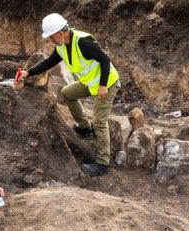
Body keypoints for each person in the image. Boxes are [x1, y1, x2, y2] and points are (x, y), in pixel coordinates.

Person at [18, 13, 120, 177]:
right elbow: (48, 63)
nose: (50, 40)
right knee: (67, 93)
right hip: (90, 82)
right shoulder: (62, 46)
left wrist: (103, 85)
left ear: (60, 32)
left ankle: (102, 163)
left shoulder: (83, 42)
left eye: (51, 36)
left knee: (100, 122)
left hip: (106, 83)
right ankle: (85, 129)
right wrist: (28, 73)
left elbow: (105, 59)